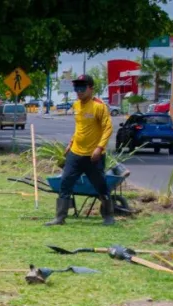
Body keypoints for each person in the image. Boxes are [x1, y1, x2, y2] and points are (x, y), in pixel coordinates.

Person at [48, 74, 115, 226]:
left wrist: (99, 148)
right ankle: (60, 218)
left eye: (82, 87)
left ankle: (109, 216)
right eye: (76, 87)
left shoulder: (99, 106)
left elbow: (108, 129)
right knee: (65, 183)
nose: (79, 91)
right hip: (76, 154)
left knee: (101, 186)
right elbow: (80, 128)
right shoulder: (76, 105)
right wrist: (71, 143)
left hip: (93, 156)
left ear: (91, 88)